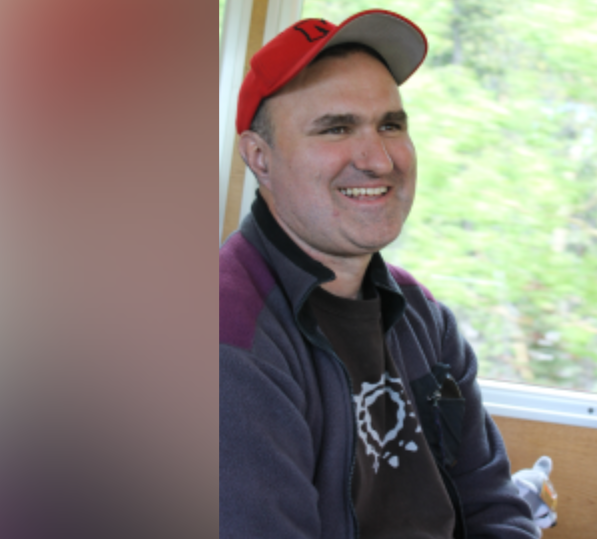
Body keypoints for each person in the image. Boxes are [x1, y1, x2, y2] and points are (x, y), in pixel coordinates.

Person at [220, 10, 539, 539]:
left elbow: (491, 502)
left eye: (390, 125)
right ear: (260, 158)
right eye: (337, 128)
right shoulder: (227, 342)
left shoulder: (424, 317)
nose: (379, 160)